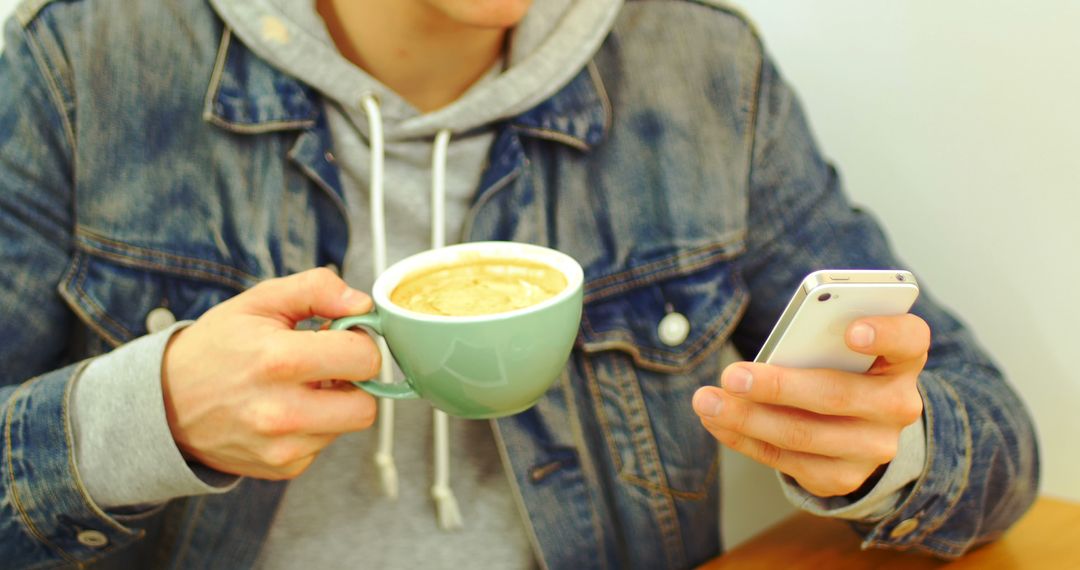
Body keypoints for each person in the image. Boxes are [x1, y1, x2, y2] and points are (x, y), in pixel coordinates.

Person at [0, 0, 1039, 568]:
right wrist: (145, 419)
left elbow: (1000, 450)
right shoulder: (84, 64)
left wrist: (881, 451)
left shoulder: (703, 68)